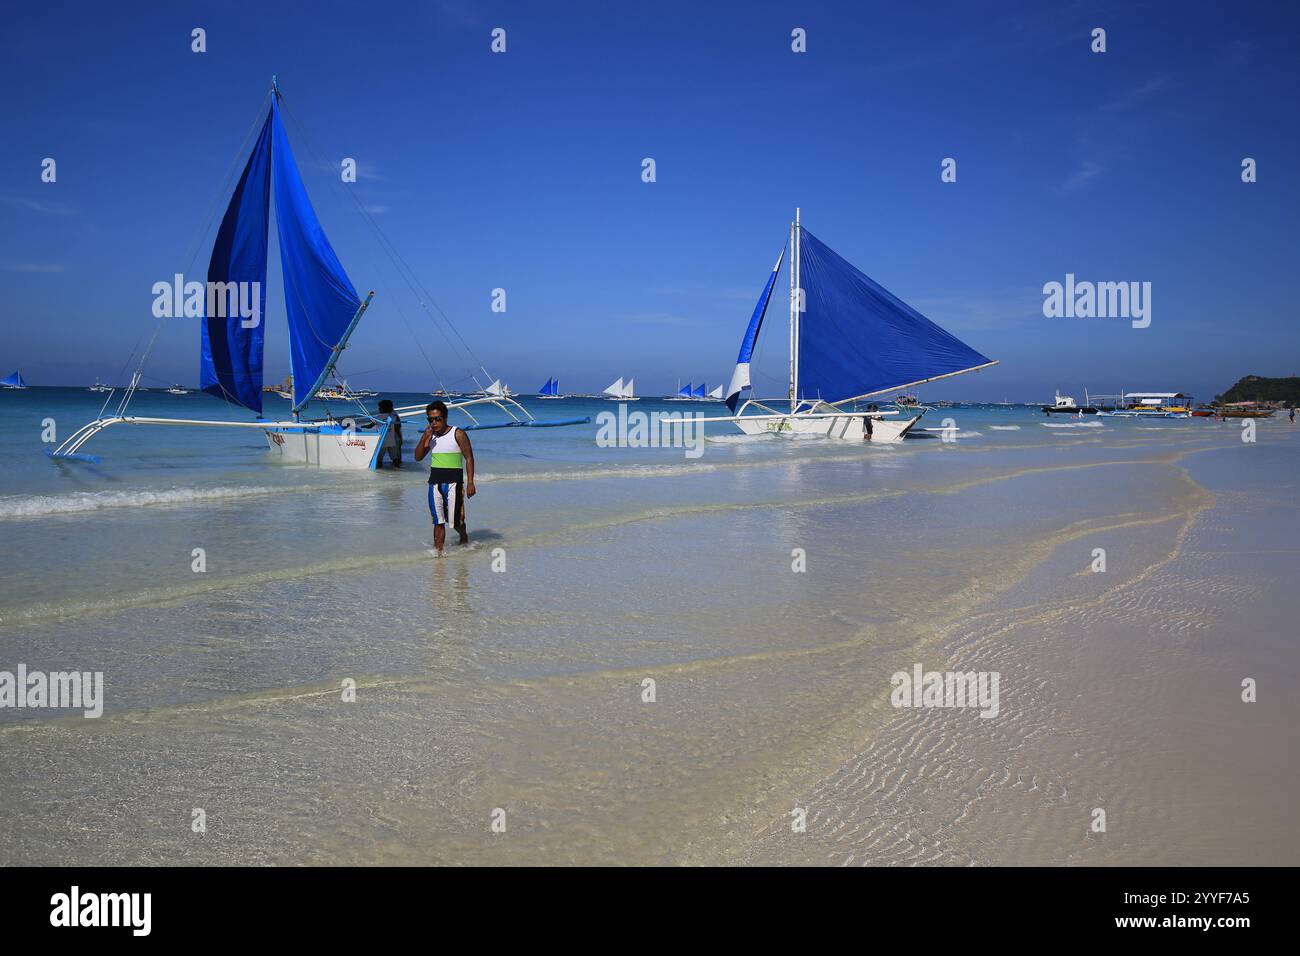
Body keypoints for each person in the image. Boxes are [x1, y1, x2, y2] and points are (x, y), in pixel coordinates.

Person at [414, 400, 476, 553]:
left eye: (437, 419)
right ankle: (438, 554)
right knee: (438, 520)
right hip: (434, 483)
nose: (434, 423)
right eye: (430, 420)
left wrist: (470, 483)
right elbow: (418, 457)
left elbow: (469, 457)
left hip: (454, 483)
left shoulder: (458, 433)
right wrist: (424, 438)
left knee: (455, 522)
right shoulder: (430, 437)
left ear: (445, 417)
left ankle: (463, 536)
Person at [376, 399, 402, 468]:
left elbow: (397, 427)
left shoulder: (378, 417)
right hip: (392, 440)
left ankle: (378, 474)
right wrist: (400, 438)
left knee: (379, 459)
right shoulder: (394, 416)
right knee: (395, 458)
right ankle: (398, 473)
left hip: (382, 441)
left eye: (380, 408)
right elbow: (398, 428)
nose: (379, 409)